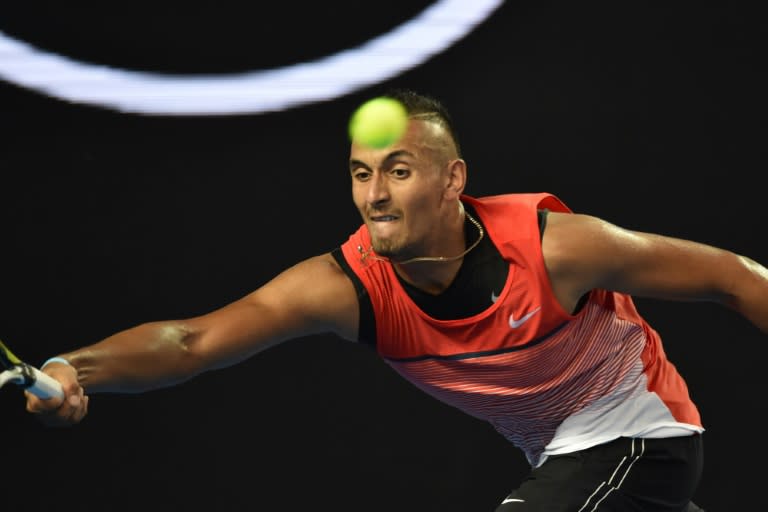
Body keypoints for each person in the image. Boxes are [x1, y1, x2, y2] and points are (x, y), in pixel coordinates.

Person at [25, 88, 766, 511]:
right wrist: (75, 369)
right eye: (359, 173)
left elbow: (733, 277)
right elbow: (192, 342)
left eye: (399, 171)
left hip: (642, 440)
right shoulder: (344, 288)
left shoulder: (555, 249)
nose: (374, 196)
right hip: (564, 464)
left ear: (452, 180)